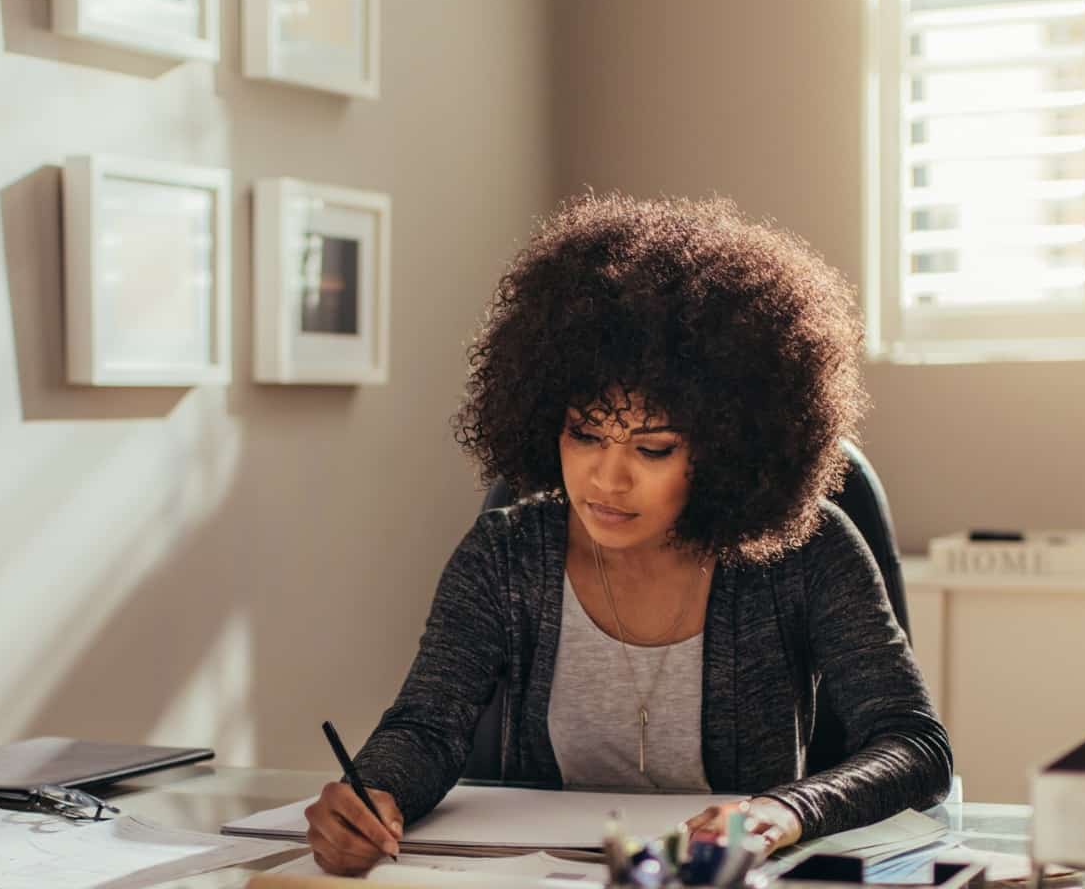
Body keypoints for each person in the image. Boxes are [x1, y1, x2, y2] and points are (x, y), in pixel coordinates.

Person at [303, 191, 951, 876]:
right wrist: (373, 792)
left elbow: (913, 744)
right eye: (585, 435)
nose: (606, 480)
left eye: (653, 449)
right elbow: (427, 728)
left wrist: (781, 812)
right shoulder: (506, 555)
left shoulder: (808, 552)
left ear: (729, 446)